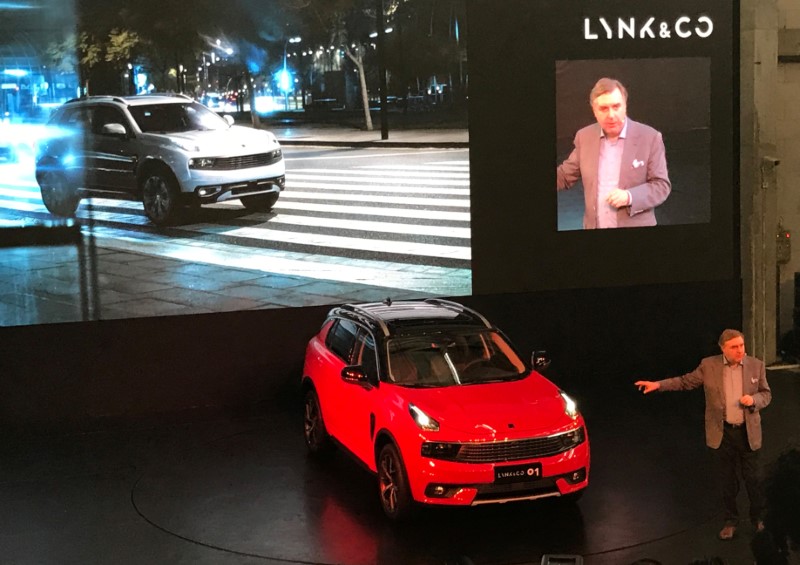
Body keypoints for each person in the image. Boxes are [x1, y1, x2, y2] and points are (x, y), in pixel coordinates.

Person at [634, 329, 772, 541]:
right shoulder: (709, 365)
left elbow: (766, 394)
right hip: (722, 433)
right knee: (727, 482)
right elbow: (684, 381)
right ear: (723, 348)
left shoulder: (756, 365)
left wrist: (754, 401)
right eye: (734, 347)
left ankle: (758, 518)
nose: (739, 350)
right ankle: (730, 520)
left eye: (742, 346)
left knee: (754, 480)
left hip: (747, 433)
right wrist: (658, 385)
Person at [557, 77, 671, 229]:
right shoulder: (584, 137)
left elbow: (661, 186)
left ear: (625, 106)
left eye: (616, 106)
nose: (611, 115)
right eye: (604, 108)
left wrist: (629, 197)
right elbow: (564, 176)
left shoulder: (650, 137)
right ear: (594, 111)